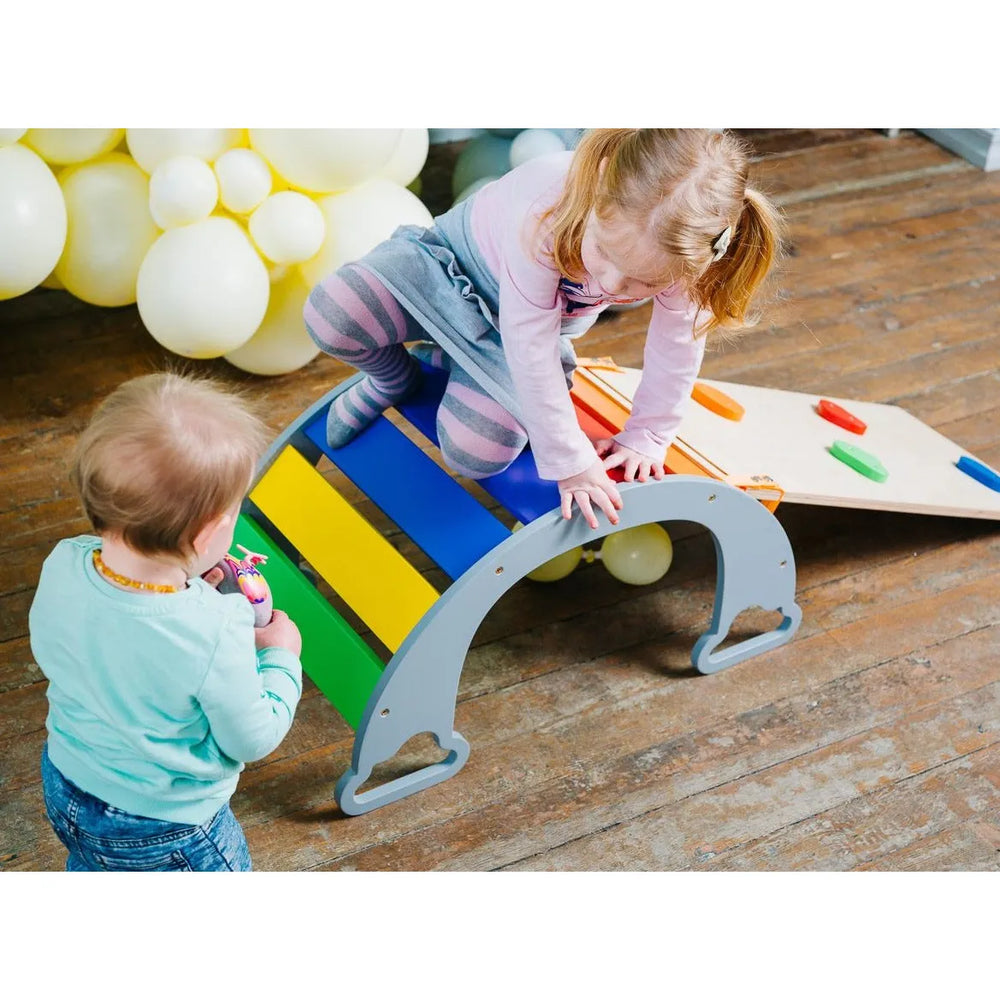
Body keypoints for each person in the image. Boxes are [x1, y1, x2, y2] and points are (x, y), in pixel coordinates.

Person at [304, 128, 783, 529]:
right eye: (607, 255)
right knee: (333, 314)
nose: (612, 285)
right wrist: (572, 460)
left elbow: (676, 348)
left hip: (515, 335)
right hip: (442, 271)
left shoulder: (685, 256)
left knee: (476, 453)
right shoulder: (550, 204)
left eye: (642, 281)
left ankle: (451, 363)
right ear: (599, 195)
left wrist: (649, 435)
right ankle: (395, 378)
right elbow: (527, 345)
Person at [29, 372, 303, 871]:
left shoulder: (64, 561)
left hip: (66, 779)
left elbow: (95, 636)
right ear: (208, 532)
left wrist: (190, 576)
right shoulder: (216, 630)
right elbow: (252, 737)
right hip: (164, 823)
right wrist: (281, 655)